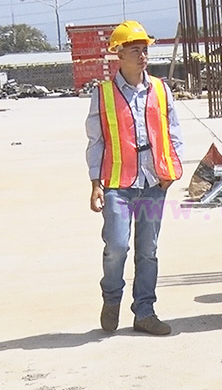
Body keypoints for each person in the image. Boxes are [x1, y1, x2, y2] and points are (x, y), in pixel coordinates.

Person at [86, 20, 183, 336]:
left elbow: (173, 131)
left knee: (148, 250)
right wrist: (95, 183)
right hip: (118, 183)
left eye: (145, 50)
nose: (143, 56)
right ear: (119, 55)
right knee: (116, 246)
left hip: (154, 183)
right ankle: (111, 298)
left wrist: (170, 170)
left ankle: (145, 312)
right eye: (135, 50)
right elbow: (96, 141)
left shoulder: (160, 88)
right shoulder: (102, 94)